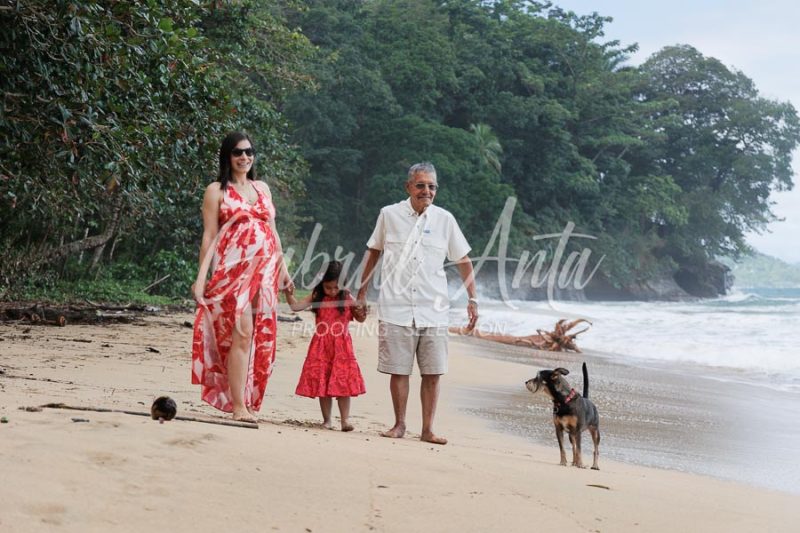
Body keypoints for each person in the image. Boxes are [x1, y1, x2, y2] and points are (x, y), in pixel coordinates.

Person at [357, 162, 478, 445]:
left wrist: (472, 298)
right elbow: (373, 252)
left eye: (432, 186)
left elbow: (463, 260)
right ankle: (399, 424)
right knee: (399, 370)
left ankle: (427, 430)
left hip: (434, 309)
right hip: (396, 305)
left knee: (433, 372)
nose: (427, 191)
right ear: (408, 186)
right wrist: (361, 293)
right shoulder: (389, 215)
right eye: (421, 185)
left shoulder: (445, 220)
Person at [191, 131, 293, 423]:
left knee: (259, 336)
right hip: (233, 272)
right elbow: (209, 236)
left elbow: (273, 233)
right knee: (242, 332)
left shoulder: (262, 188)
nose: (244, 157)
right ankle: (238, 405)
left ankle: (246, 399)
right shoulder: (216, 191)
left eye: (249, 152)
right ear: (228, 156)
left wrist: (284, 270)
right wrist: (201, 279)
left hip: (266, 272)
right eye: (238, 152)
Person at [285, 261, 367, 431]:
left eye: (336, 287)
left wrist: (362, 310)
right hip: (321, 345)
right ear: (322, 283)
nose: (332, 291)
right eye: (328, 287)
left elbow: (360, 318)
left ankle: (345, 420)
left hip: (342, 347)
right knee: (323, 382)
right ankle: (327, 420)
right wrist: (288, 293)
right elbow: (295, 306)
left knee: (343, 383)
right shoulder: (317, 296)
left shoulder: (347, 298)